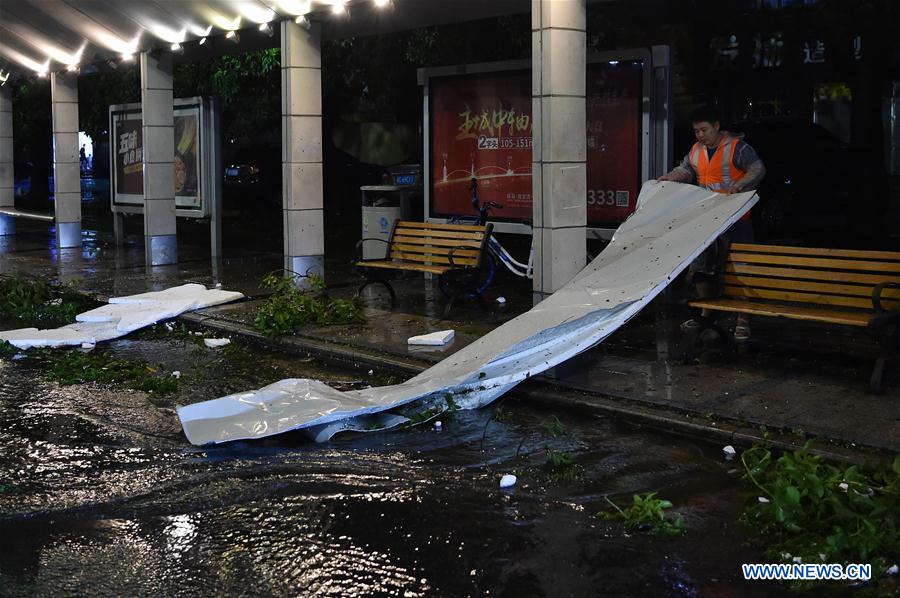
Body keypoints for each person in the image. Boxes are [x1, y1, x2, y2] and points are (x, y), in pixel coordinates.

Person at [659, 106, 766, 341]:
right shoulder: (697, 150)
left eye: (704, 129)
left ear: (717, 126)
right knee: (701, 267)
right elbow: (685, 169)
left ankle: (743, 319)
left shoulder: (737, 148)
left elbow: (758, 168)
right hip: (708, 220)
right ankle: (708, 314)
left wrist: (738, 187)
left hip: (737, 219)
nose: (700, 135)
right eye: (696, 131)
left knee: (740, 269)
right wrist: (670, 177)